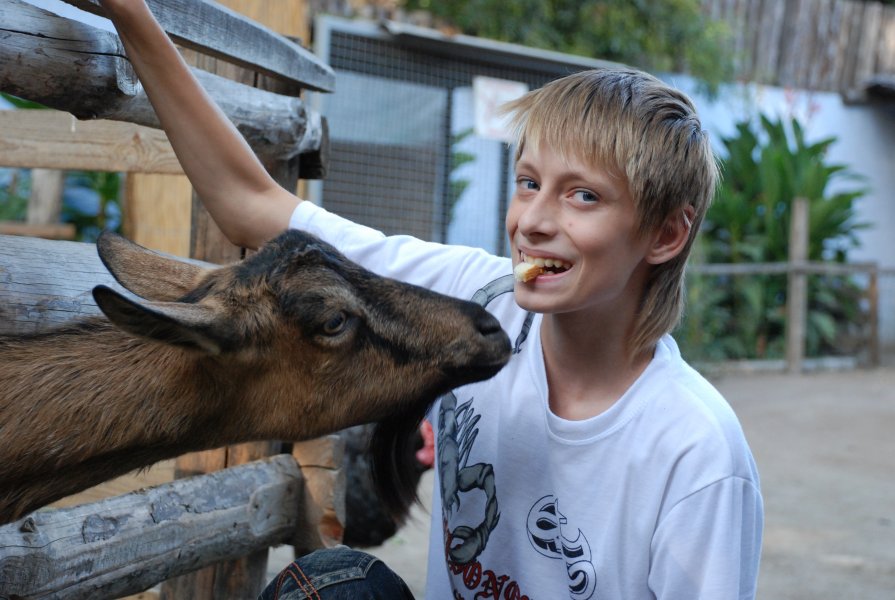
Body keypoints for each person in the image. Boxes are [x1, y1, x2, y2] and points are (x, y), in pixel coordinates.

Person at [99, 2, 764, 598]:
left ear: (666, 232)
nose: (532, 219)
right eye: (527, 182)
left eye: (582, 195)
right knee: (331, 589)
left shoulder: (694, 451)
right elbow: (251, 206)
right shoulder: (472, 300)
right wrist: (131, 16)